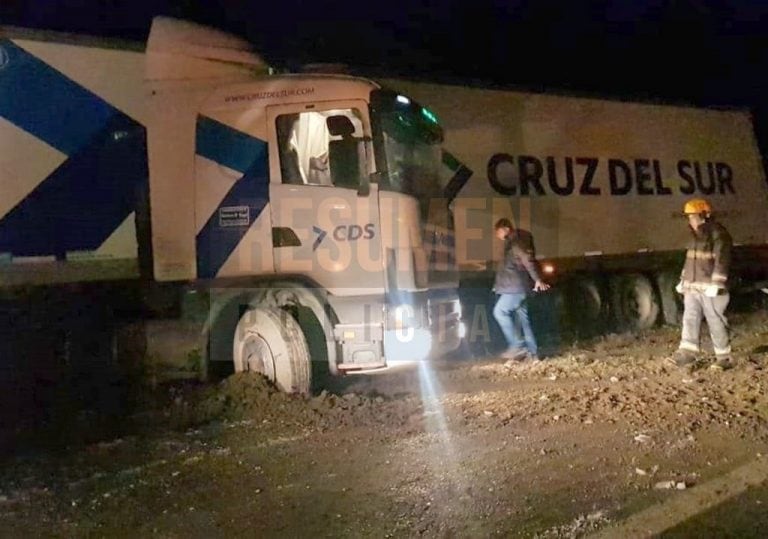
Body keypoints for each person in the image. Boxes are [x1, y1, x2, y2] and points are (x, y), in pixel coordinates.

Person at [669, 198, 734, 370]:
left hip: (710, 288)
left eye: (694, 216)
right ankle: (687, 353)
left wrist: (717, 284)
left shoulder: (718, 234)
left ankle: (724, 357)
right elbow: (690, 261)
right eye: (689, 217)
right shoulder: (694, 237)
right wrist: (683, 280)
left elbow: (723, 261)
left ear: (705, 215)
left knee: (716, 320)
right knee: (689, 318)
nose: (691, 220)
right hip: (693, 287)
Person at [492, 218, 550, 362]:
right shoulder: (515, 241)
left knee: (499, 312)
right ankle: (533, 354)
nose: (497, 236)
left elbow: (527, 260)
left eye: (498, 232)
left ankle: (517, 345)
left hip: (515, 288)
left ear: (505, 229)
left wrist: (537, 279)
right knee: (524, 321)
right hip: (517, 286)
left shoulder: (516, 243)